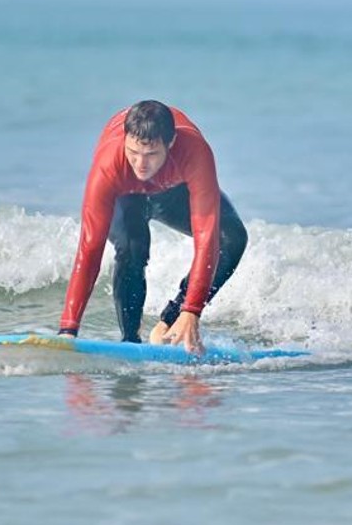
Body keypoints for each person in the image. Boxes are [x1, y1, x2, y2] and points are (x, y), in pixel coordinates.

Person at [59, 100, 248, 353]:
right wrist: (68, 330)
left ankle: (172, 321)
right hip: (125, 197)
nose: (140, 164)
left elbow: (207, 238)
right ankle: (130, 342)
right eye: (133, 153)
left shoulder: (194, 152)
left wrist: (192, 310)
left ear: (170, 144)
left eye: (151, 154)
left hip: (173, 192)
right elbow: (90, 248)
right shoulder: (109, 164)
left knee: (232, 237)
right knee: (131, 247)